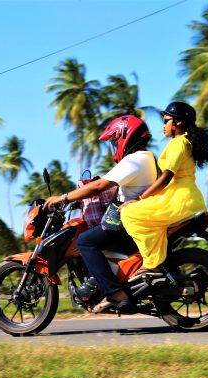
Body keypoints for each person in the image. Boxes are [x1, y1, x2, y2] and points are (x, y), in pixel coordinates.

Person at [43, 115, 157, 313]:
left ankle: (113, 293)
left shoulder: (133, 161)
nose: (114, 147)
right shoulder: (148, 159)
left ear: (124, 136)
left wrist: (64, 198)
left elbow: (99, 186)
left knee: (85, 241)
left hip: (127, 221)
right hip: (138, 218)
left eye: (115, 141)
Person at [120, 101, 208, 274]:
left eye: (166, 121)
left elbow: (166, 177)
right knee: (151, 223)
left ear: (177, 122)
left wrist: (140, 198)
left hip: (178, 198)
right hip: (187, 197)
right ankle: (159, 259)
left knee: (129, 213)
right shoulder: (186, 142)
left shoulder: (178, 143)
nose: (163, 126)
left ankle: (151, 262)